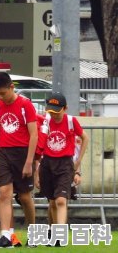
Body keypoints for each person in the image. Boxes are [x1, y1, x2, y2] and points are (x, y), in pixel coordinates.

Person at [0, 71, 37, 248]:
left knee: (24, 197)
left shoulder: (26, 105)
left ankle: (33, 232)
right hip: (3, 152)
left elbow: (34, 135)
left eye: (3, 93)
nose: (1, 97)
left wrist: (29, 162)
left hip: (23, 153)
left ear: (12, 87)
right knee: (4, 194)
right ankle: (6, 235)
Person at [36, 92, 88, 245]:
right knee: (52, 202)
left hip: (65, 164)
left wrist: (77, 163)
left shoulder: (71, 121)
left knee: (61, 200)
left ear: (65, 108)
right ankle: (52, 232)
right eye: (51, 112)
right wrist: (36, 173)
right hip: (47, 163)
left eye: (57, 112)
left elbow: (85, 138)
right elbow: (38, 147)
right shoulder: (45, 122)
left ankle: (60, 235)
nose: (54, 115)